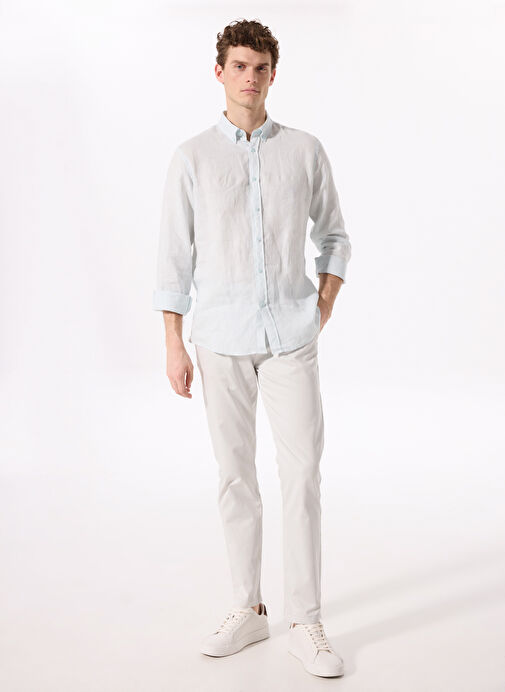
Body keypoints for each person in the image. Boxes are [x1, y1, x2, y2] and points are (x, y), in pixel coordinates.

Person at [152, 18, 351, 678]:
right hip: (220, 340)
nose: (250, 77)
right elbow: (173, 259)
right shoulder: (192, 158)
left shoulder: (304, 151)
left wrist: (320, 307)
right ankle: (248, 608)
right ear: (219, 72)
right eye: (238, 66)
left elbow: (334, 238)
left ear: (272, 74)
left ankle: (306, 619)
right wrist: (174, 344)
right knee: (235, 476)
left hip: (291, 337)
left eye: (260, 67)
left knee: (302, 475)